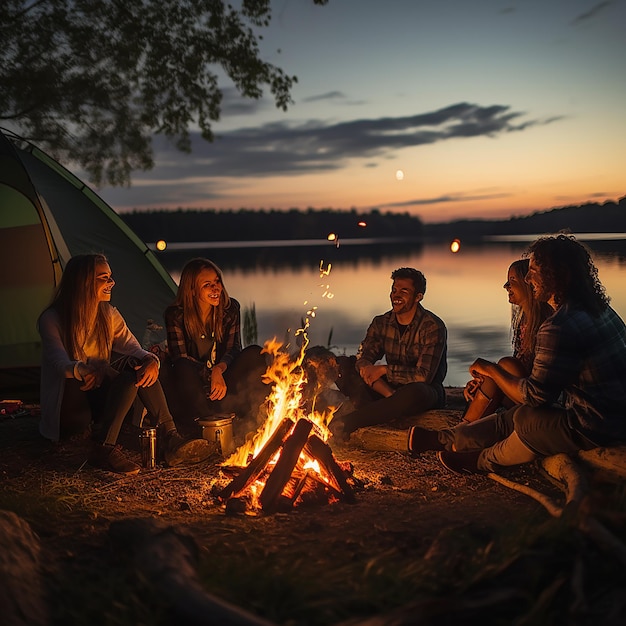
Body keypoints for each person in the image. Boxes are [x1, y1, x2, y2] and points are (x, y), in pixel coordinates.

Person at [407, 234, 626, 474]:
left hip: (597, 425)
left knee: (525, 418)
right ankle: (445, 439)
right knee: (521, 414)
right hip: (612, 414)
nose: (528, 278)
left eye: (533, 271)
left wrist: (491, 370)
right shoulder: (600, 308)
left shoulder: (559, 326)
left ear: (557, 275)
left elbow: (534, 397)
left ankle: (480, 461)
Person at [38, 254, 211, 475]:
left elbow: (135, 349)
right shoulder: (52, 318)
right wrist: (83, 370)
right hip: (71, 405)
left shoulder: (108, 315)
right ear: (84, 281)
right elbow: (57, 362)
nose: (112, 283)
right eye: (104, 278)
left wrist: (152, 361)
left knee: (136, 369)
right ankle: (108, 446)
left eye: (110, 277)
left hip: (99, 398)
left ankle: (169, 436)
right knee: (78, 376)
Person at [330, 267, 447, 441]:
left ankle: (350, 421)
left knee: (416, 391)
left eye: (404, 291)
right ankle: (387, 409)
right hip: (389, 389)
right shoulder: (382, 322)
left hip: (424, 392)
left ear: (418, 297)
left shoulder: (432, 326)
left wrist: (384, 370)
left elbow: (423, 376)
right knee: (341, 365)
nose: (396, 295)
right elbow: (364, 357)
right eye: (394, 290)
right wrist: (381, 385)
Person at [163, 258, 269, 432]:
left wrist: (218, 369)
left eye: (217, 282)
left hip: (223, 386)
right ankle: (205, 425)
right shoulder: (175, 315)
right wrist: (210, 373)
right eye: (207, 285)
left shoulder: (230, 309)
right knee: (181, 367)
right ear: (192, 290)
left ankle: (253, 421)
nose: (215, 288)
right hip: (194, 389)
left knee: (255, 353)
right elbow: (180, 358)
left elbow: (234, 348)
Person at [459, 259, 551, 423]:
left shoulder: (547, 324)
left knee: (506, 365)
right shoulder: (523, 322)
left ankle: (460, 433)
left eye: (512, 280)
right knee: (494, 374)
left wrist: (491, 370)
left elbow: (529, 375)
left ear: (529, 282)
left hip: (540, 399)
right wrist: (483, 380)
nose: (506, 286)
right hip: (523, 394)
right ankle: (463, 431)